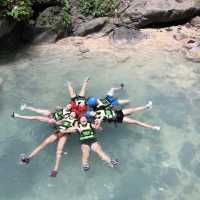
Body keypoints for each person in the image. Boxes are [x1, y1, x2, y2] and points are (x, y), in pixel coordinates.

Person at [20, 112, 78, 177]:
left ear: (75, 116)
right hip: (57, 132)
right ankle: (28, 158)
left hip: (65, 135)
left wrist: (66, 131)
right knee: (43, 144)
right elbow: (57, 123)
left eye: (74, 114)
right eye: (72, 113)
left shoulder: (75, 121)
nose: (73, 114)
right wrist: (58, 121)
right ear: (69, 114)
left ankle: (55, 170)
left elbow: (75, 130)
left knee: (59, 151)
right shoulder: (65, 118)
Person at [85, 101, 160, 131]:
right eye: (91, 114)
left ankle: (147, 107)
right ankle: (153, 127)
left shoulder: (97, 110)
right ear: (91, 116)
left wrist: (109, 105)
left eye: (91, 112)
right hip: (118, 118)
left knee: (133, 109)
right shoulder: (96, 120)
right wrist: (99, 123)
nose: (92, 113)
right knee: (136, 122)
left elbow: (100, 103)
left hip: (118, 112)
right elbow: (99, 128)